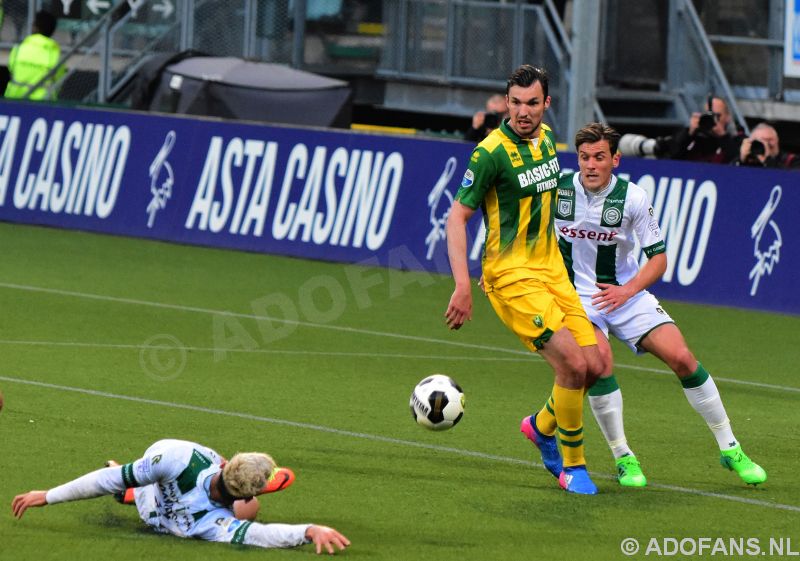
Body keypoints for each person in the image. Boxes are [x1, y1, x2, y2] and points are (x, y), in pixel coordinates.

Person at [552, 122, 767, 488]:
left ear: (615, 160)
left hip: (625, 294)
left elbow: (658, 258)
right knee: (599, 364)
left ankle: (730, 448)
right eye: (584, 157)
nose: (590, 165)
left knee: (683, 358)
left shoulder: (633, 198)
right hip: (577, 300)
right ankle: (624, 458)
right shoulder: (557, 192)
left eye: (599, 157)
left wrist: (627, 291)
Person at [445, 64, 604, 495]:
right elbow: (456, 219)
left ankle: (540, 426)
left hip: (553, 270)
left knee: (594, 367)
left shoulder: (549, 139)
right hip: (512, 278)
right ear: (506, 102)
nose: (523, 112)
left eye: (532, 103)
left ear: (546, 104)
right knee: (571, 363)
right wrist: (463, 283)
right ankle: (574, 467)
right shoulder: (490, 153)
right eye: (515, 102)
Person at [12, 438, 351, 555]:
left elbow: (104, 479)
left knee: (127, 477)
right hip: (166, 518)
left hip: (159, 471)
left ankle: (132, 488)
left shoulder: (184, 458)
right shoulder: (216, 525)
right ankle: (133, 490)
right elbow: (263, 535)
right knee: (253, 512)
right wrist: (308, 530)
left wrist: (48, 495)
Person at [5, 10, 65, 100]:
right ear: (53, 30)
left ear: (34, 27)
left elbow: (11, 68)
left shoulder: (19, 47)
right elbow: (59, 79)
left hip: (14, 98)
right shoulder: (54, 52)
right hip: (42, 102)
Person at [666, 96, 742, 164]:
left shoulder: (738, 140)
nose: (712, 120)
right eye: (708, 116)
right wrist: (689, 134)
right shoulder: (692, 138)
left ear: (728, 117)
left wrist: (723, 136)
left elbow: (738, 162)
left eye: (717, 116)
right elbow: (670, 157)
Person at [736, 122, 800, 170]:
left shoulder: (792, 161)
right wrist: (741, 159)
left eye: (769, 140)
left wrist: (767, 160)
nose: (765, 144)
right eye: (759, 141)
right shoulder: (747, 160)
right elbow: (729, 176)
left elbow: (790, 180)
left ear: (777, 140)